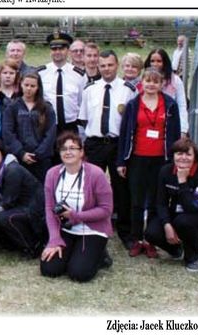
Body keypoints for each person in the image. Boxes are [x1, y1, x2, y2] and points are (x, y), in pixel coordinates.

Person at [118, 69, 182, 255]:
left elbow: (175, 134)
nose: (151, 85)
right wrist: (121, 160)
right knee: (136, 200)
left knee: (155, 200)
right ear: (142, 83)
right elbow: (124, 135)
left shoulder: (170, 105)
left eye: (155, 81)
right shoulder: (132, 105)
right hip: (137, 158)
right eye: (148, 81)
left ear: (162, 84)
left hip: (160, 159)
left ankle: (150, 239)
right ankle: (136, 238)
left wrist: (174, 160)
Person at [40, 132, 113, 282]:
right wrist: (54, 239)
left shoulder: (96, 174)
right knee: (49, 269)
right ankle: (76, 253)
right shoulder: (52, 174)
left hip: (92, 230)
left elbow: (106, 210)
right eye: (63, 149)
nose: (68, 152)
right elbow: (49, 209)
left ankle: (100, 255)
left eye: (73, 148)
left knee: (79, 274)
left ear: (81, 152)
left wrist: (76, 216)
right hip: (67, 229)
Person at [79, 50, 131, 248]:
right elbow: (83, 118)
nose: (106, 69)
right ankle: (92, 225)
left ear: (117, 65)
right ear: (97, 67)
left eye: (110, 65)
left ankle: (125, 231)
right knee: (91, 187)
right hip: (95, 143)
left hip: (117, 144)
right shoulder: (90, 89)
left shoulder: (127, 89)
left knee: (121, 188)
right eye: (103, 65)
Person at [146, 138, 198, 272]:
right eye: (179, 153)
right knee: (151, 232)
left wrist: (182, 181)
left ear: (195, 157)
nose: (183, 157)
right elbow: (161, 203)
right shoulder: (166, 171)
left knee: (183, 221)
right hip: (178, 215)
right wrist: (167, 225)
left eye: (188, 154)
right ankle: (175, 249)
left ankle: (194, 257)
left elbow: (192, 207)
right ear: (173, 155)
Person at [0, 138, 45, 256]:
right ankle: (10, 245)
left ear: (2, 154)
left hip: (33, 208)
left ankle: (33, 246)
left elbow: (7, 203)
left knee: (2, 217)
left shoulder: (13, 170)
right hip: (16, 206)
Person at [0, 70, 56, 182]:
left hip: (41, 159)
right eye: (26, 85)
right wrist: (21, 153)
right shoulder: (12, 107)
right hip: (19, 158)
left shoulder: (46, 108)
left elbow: (50, 133)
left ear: (38, 87)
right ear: (21, 85)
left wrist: (38, 154)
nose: (29, 88)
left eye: (32, 86)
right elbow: (8, 132)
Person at [38, 32, 85, 131]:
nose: (57, 52)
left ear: (68, 50)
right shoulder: (41, 73)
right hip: (48, 125)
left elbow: (82, 102)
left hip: (71, 125)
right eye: (54, 49)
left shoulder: (79, 75)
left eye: (61, 48)